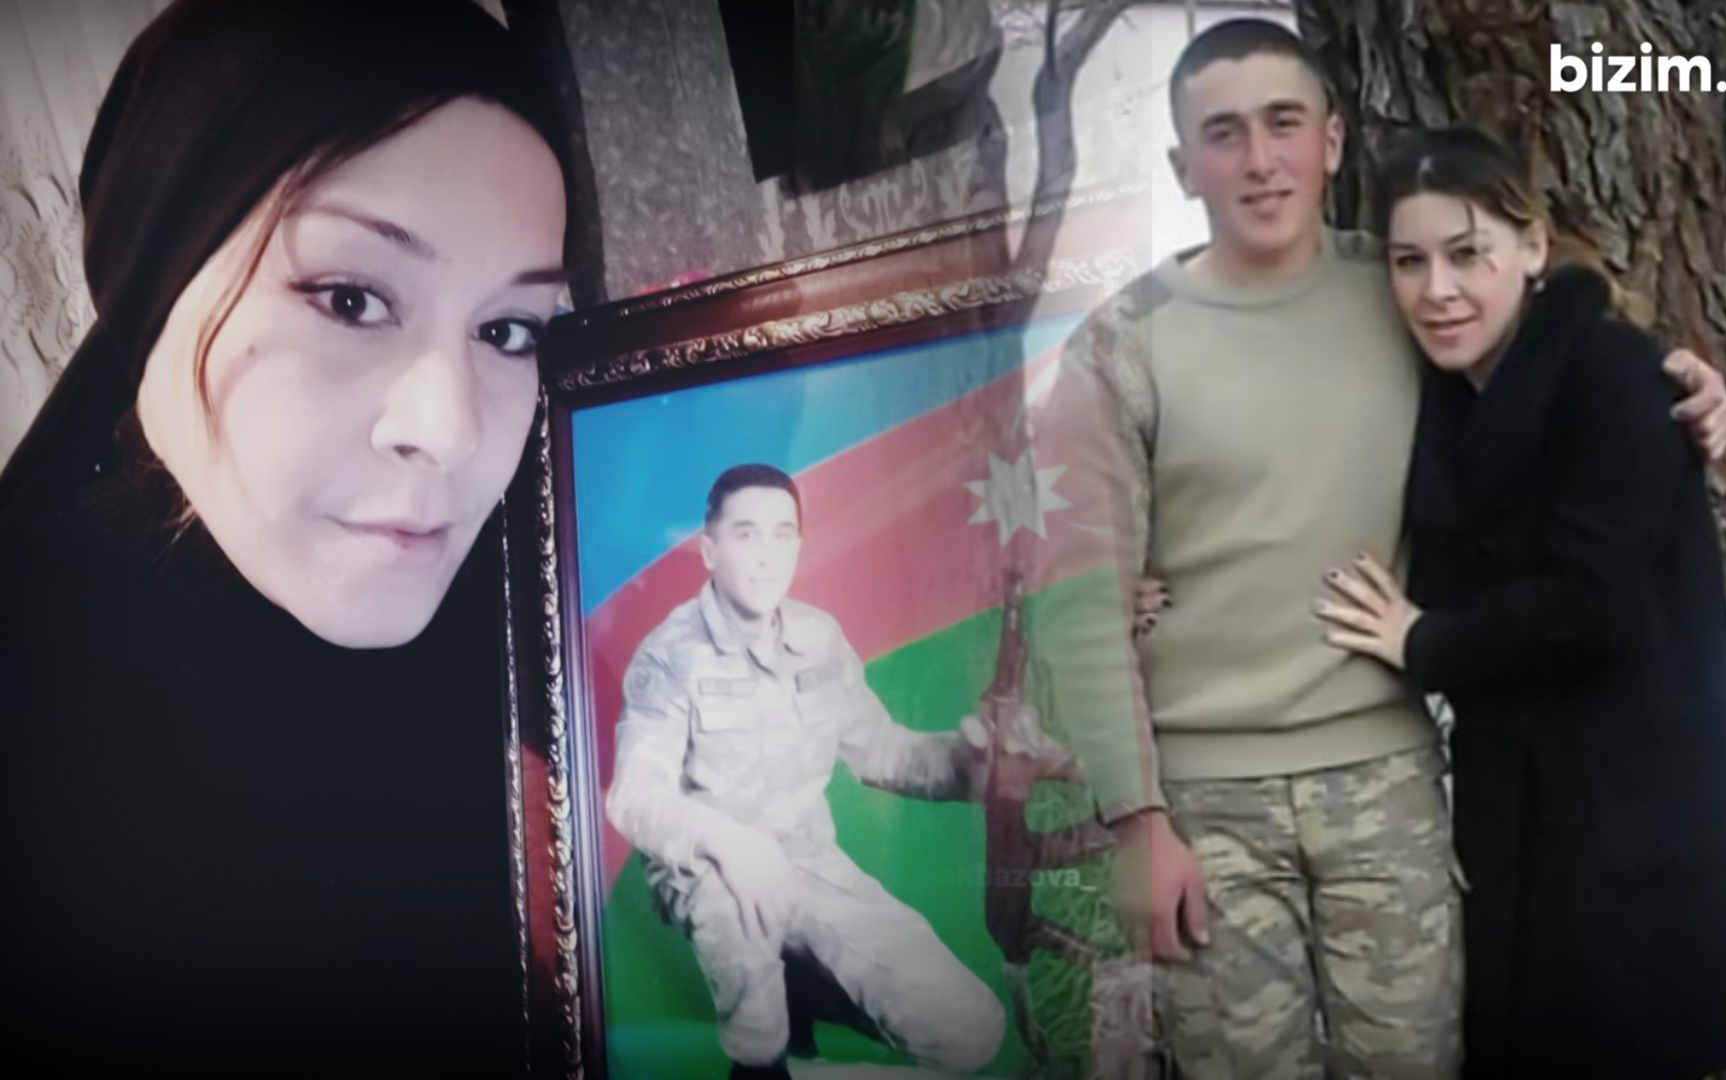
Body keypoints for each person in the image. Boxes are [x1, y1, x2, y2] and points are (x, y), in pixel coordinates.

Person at [1035, 18, 1726, 1079]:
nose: (1260, 159)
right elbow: (1080, 595)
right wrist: (1135, 823)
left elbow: (1549, 352)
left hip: (1389, 783)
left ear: (1332, 140)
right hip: (1208, 800)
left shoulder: (1404, 290)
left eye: (1284, 122)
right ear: (1183, 167)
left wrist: (1678, 378)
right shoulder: (1122, 346)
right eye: (1224, 133)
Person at [0, 0, 573, 1072]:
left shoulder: (562, 617)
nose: (448, 431)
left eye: (508, 330)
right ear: (157, 284)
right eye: (351, 299)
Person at [1313, 127, 1726, 1079]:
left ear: (1532, 246)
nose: (1438, 289)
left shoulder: (1613, 376)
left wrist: (1422, 642)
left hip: (1644, 819)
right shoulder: (1454, 390)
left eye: (1467, 254)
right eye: (1410, 261)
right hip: (1535, 815)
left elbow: (1590, 603)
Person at [604, 464, 1009, 1080]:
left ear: (798, 544)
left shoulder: (818, 637)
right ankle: (763, 1060)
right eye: (746, 534)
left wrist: (977, 763)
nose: (766, 555)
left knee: (973, 1034)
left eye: (782, 534)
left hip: (810, 864)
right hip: (708, 871)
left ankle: (802, 1043)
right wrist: (731, 843)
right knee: (749, 990)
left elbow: (883, 752)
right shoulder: (670, 655)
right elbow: (634, 796)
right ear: (710, 551)